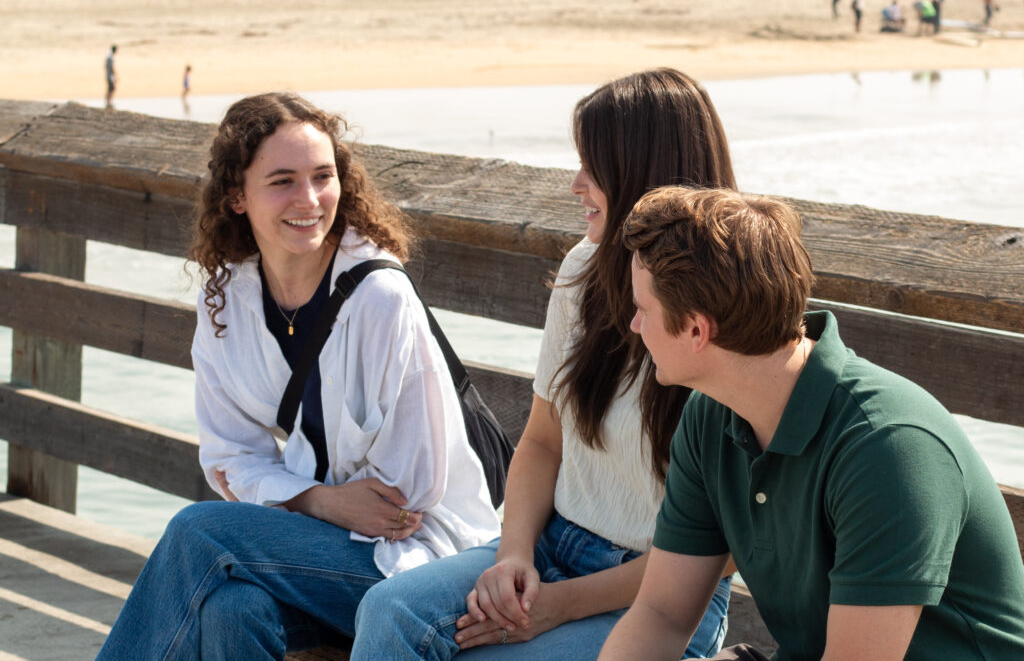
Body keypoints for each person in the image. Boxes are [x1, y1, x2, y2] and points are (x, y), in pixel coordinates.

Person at [96, 93, 501, 660]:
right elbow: (228, 457)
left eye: (322, 176)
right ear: (237, 195)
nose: (308, 199)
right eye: (282, 180)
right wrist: (318, 501)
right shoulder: (225, 299)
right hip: (321, 541)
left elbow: (404, 503)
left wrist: (303, 504)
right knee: (233, 610)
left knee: (198, 533)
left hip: (416, 562)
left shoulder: (381, 298)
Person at [350, 68, 737, 660]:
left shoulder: (731, 307)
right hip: (552, 546)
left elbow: (720, 548)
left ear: (642, 171)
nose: (577, 184)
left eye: (593, 166)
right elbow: (541, 443)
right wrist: (513, 556)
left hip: (664, 598)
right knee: (389, 611)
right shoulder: (586, 268)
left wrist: (561, 604)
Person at [598, 187, 1024, 660]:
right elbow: (662, 614)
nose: (635, 325)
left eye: (644, 309)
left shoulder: (888, 448)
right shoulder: (710, 416)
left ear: (697, 330)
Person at [104, 44, 117, 108]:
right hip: (110, 76)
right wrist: (114, 75)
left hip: (108, 75)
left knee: (110, 89)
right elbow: (111, 67)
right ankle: (108, 102)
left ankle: (108, 102)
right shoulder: (111, 57)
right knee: (111, 89)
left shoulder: (108, 57)